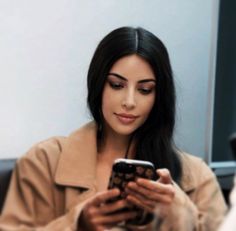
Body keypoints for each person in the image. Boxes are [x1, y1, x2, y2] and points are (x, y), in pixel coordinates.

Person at [0, 26, 227, 231]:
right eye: (117, 85)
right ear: (98, 84)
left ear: (159, 96)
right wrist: (78, 225)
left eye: (145, 89)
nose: (129, 101)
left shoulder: (196, 178)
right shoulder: (43, 162)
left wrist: (180, 216)